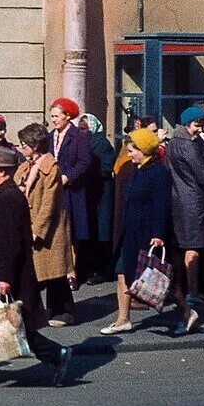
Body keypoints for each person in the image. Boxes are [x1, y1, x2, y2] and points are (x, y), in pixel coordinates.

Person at [0, 146, 71, 386]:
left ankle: (56, 353)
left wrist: (4, 277)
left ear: (3, 171)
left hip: (3, 272)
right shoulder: (3, 193)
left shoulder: (8, 197)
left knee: (12, 324)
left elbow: (10, 242)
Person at [101, 127, 198, 336]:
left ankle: (187, 312)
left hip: (149, 235)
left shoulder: (159, 173)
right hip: (131, 232)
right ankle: (123, 319)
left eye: (132, 150)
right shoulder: (137, 170)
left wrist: (159, 234)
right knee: (122, 272)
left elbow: (162, 205)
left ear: (144, 150)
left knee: (161, 280)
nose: (129, 154)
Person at [13, 123, 74, 325]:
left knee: (55, 271)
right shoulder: (26, 166)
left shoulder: (51, 168)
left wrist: (37, 230)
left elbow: (49, 202)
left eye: (25, 144)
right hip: (30, 223)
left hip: (50, 227)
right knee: (40, 270)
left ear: (35, 145)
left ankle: (63, 311)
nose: (22, 147)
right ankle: (46, 310)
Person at [168, 105, 204, 306]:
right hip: (194, 201)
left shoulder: (173, 142)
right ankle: (193, 291)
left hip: (178, 198)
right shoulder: (189, 144)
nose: (200, 128)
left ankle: (180, 288)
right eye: (197, 124)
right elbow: (202, 175)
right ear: (188, 123)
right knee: (194, 247)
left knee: (182, 247)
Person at [48, 98, 94, 282]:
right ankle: (57, 269)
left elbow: (85, 162)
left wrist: (68, 176)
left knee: (72, 230)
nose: (54, 120)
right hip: (54, 189)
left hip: (73, 190)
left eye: (57, 116)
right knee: (57, 229)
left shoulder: (79, 137)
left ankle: (71, 272)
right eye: (52, 116)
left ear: (67, 116)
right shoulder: (50, 135)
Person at [78, 113, 116, 284]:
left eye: (84, 129)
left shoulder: (101, 143)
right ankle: (89, 268)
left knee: (102, 232)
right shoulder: (82, 143)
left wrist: (91, 170)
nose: (81, 132)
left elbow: (108, 166)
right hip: (88, 192)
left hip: (102, 192)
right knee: (89, 232)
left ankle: (103, 270)